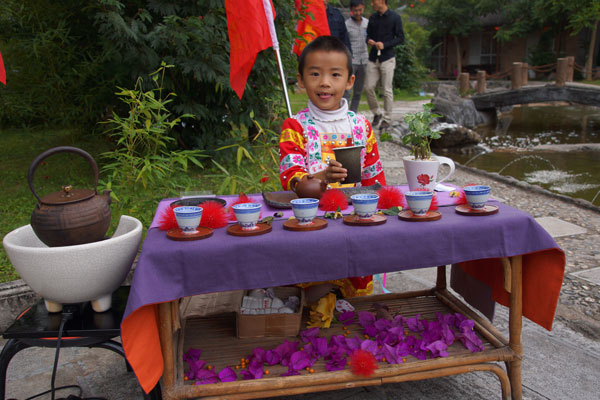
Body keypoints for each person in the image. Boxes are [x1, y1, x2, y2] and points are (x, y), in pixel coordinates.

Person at [279, 35, 386, 299]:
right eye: (315, 74)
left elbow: (374, 178)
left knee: (354, 291)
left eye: (335, 74)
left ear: (349, 81)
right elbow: (291, 178)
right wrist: (321, 177)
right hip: (311, 224)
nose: (325, 82)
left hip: (355, 223)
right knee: (313, 289)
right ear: (301, 80)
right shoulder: (295, 126)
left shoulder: (361, 125)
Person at [364, 0, 404, 130]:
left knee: (387, 90)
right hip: (373, 58)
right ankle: (377, 112)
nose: (372, 4)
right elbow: (367, 36)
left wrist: (385, 45)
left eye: (373, 1)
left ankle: (387, 118)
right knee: (368, 87)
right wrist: (369, 41)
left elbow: (400, 38)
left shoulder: (395, 17)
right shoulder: (373, 17)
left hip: (388, 58)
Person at [344, 0, 369, 112]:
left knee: (358, 91)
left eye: (360, 10)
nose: (358, 13)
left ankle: (353, 112)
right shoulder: (347, 24)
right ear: (351, 10)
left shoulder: (367, 23)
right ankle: (344, 111)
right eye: (355, 10)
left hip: (364, 59)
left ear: (363, 8)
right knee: (347, 89)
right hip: (351, 60)